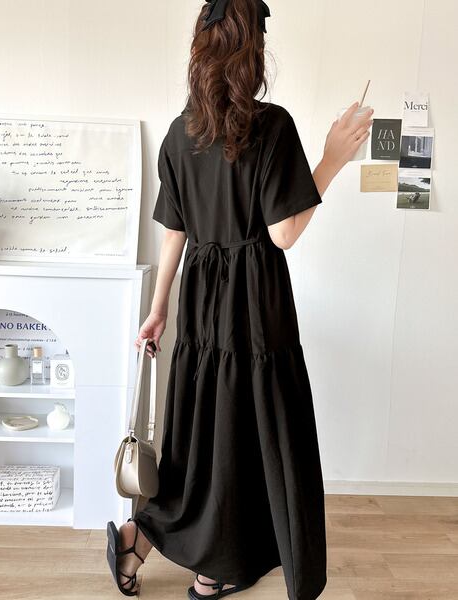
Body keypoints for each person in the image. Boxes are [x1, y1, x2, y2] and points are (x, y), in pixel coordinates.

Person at [107, 0, 373, 598]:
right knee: (248, 430)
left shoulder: (180, 132)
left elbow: (173, 231)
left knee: (203, 428)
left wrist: (159, 308)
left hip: (200, 295)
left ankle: (138, 537)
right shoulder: (271, 126)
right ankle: (212, 570)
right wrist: (332, 159)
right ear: (253, 53)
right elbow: (284, 233)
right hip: (253, 298)